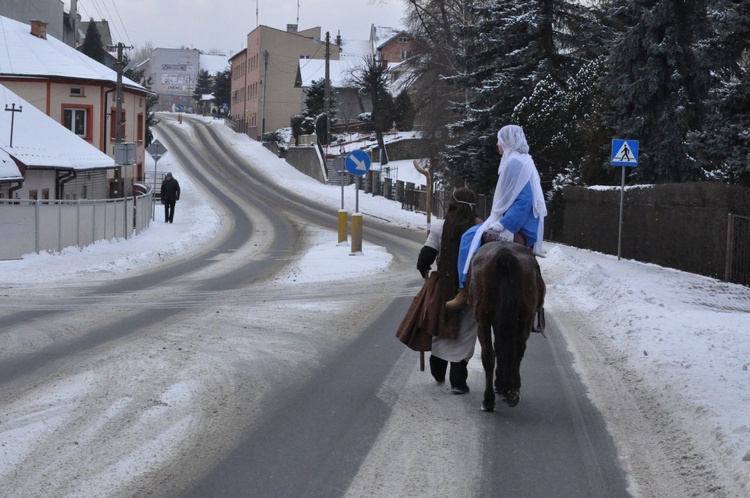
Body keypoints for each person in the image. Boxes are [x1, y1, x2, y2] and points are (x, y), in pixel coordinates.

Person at [446, 125, 547, 310]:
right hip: (525, 225)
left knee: (469, 235)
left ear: (507, 142)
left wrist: (504, 225)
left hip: (518, 226)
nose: (497, 144)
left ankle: (464, 288)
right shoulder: (524, 160)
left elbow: (524, 201)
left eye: (499, 140)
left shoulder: (515, 162)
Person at [416, 187, 482, 394]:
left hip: (443, 287)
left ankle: (437, 370)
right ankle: (458, 381)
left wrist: (425, 269)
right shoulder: (479, 228)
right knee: (465, 331)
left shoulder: (439, 227)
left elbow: (425, 257)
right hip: (471, 289)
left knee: (441, 325)